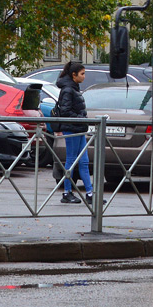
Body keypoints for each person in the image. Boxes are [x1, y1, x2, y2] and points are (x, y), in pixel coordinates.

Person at [55, 61, 98, 205]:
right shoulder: (68, 89)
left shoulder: (73, 87)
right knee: (72, 160)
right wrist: (81, 118)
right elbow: (66, 111)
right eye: (82, 74)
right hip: (72, 128)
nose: (84, 76)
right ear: (74, 75)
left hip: (78, 128)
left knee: (84, 161)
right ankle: (67, 192)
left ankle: (90, 193)